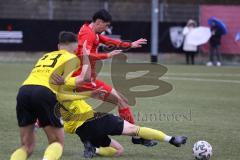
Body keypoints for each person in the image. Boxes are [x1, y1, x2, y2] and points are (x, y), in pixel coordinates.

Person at [72, 9, 156, 147]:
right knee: (120, 100)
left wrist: (130, 44)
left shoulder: (93, 32)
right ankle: (135, 135)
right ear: (98, 22)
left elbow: (108, 40)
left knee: (122, 100)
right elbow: (83, 56)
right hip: (84, 81)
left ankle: (135, 135)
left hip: (88, 80)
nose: (107, 28)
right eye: (106, 25)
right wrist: (107, 55)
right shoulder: (88, 34)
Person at [10, 31, 92, 160]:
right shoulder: (72, 58)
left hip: (24, 91)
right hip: (44, 92)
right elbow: (85, 78)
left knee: (27, 146)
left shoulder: (45, 56)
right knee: (56, 142)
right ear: (74, 45)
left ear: (59, 46)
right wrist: (86, 55)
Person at [53, 92, 188, 158]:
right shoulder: (64, 93)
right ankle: (171, 139)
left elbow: (66, 128)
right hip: (96, 119)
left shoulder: (53, 108)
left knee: (119, 150)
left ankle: (93, 149)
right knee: (135, 129)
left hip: (83, 132)